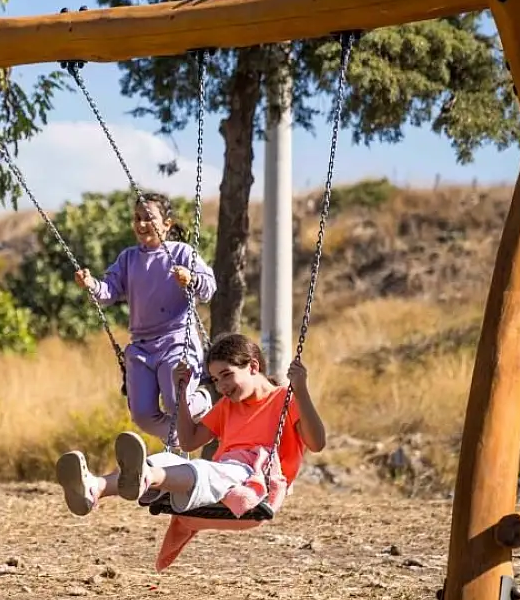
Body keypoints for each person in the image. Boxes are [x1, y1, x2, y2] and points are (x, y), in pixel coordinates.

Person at [54, 333, 327, 569]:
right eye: (216, 380)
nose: (222, 387)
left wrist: (301, 391)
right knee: (165, 459)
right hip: (224, 476)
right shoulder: (227, 406)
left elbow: (317, 443)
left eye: (227, 375)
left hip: (254, 480)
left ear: (253, 366)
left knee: (203, 469)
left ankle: (148, 478)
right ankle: (95, 488)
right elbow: (189, 442)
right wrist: (181, 393)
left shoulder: (285, 399)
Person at [73, 192, 216, 448]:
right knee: (141, 415)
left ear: (167, 224)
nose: (141, 224)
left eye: (148, 218)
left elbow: (209, 288)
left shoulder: (181, 252)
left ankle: (205, 400)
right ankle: (176, 436)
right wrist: (91, 283)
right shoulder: (128, 258)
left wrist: (190, 279)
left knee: (175, 403)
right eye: (137, 218)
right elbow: (108, 292)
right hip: (141, 347)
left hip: (176, 341)